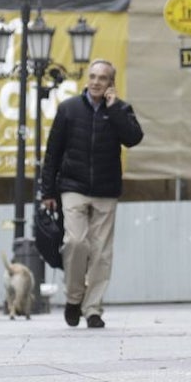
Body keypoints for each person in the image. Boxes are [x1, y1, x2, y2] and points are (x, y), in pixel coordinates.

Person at [41, 59, 144, 329]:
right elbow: (52, 152)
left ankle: (93, 308)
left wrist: (116, 109)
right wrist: (47, 191)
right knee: (76, 242)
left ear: (111, 83)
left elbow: (133, 138)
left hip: (106, 190)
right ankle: (74, 298)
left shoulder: (120, 109)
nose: (96, 81)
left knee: (101, 253)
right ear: (87, 79)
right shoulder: (69, 109)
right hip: (73, 186)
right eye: (93, 76)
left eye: (103, 78)